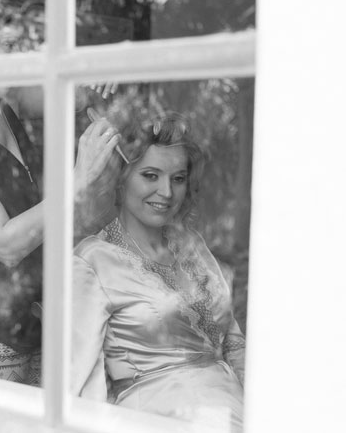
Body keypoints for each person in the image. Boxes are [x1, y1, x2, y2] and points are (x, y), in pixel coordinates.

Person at [70, 112, 245, 431]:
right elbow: (79, 378)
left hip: (236, 411)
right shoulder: (91, 260)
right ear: (121, 177)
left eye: (178, 178)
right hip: (158, 418)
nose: (166, 192)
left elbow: (232, 337)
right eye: (151, 175)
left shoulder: (191, 244)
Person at [0, 86, 120, 385]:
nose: (11, 52)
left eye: (13, 45)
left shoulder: (8, 104)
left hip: (31, 328)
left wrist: (103, 78)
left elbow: (75, 94)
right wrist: (78, 179)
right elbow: (4, 244)